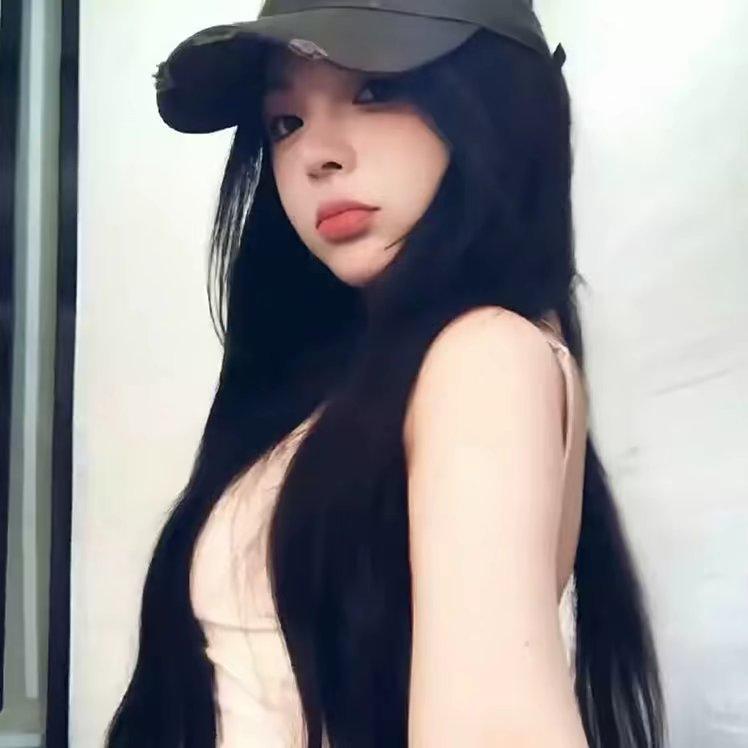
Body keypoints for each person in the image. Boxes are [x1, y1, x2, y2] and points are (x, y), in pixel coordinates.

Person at [106, 1, 667, 745]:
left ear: (488, 100)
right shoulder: (358, 384)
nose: (317, 154)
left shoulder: (482, 357)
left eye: (374, 89)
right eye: (285, 122)